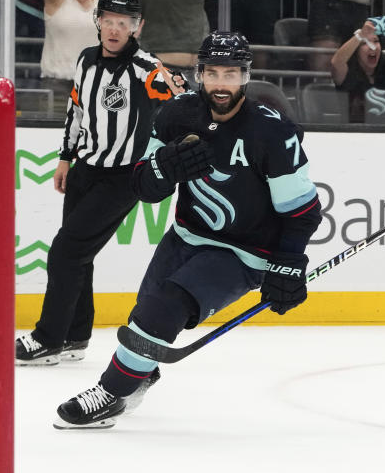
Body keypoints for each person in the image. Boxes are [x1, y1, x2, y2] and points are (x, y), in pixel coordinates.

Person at [53, 31, 322, 429]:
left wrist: (288, 262)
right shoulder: (178, 113)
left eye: (230, 74)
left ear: (245, 76)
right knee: (146, 317)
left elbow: (301, 211)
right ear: (199, 74)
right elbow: (142, 185)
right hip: (185, 236)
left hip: (244, 253)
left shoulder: (272, 132)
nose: (220, 84)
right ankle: (142, 373)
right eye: (212, 73)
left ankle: (110, 393)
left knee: (164, 306)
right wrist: (165, 167)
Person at [15, 0, 183, 367]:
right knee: (79, 258)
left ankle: (48, 338)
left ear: (136, 27)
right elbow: (76, 111)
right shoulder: (86, 60)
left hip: (122, 178)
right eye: (108, 19)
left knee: (65, 253)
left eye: (123, 22)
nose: (114, 28)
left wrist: (164, 149)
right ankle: (75, 334)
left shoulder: (145, 68)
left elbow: (181, 102)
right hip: (84, 171)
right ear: (98, 21)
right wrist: (65, 158)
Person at [330, 20, 385, 124]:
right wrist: (360, 35)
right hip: (355, 134)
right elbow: (336, 62)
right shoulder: (347, 72)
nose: (372, 46)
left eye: (376, 41)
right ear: (356, 50)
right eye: (365, 43)